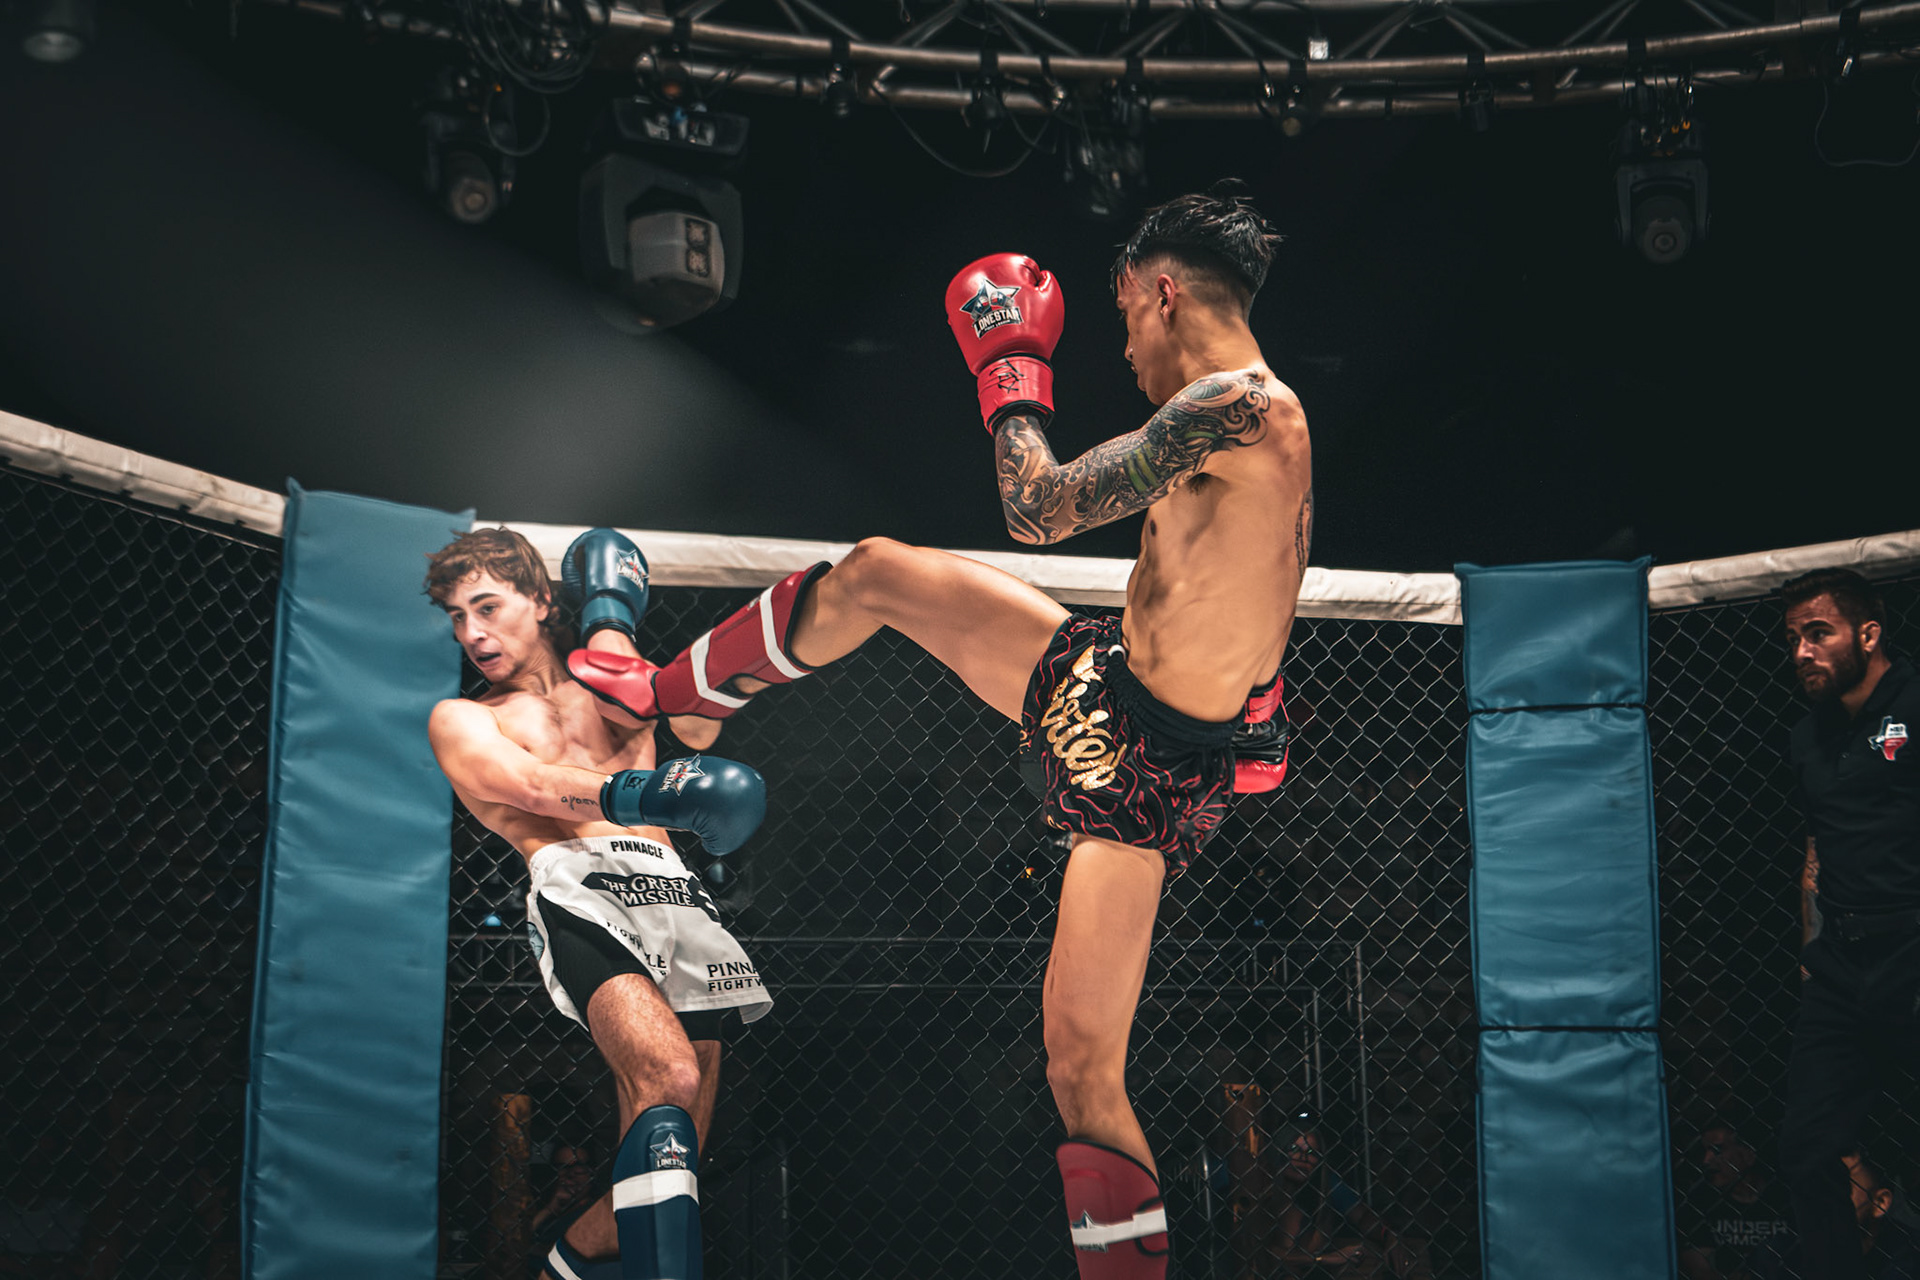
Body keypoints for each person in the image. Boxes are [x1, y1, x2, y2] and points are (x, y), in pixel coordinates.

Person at [571, 182, 1308, 1279]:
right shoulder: (1246, 416)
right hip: (1109, 678)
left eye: (1122, 321)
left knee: (1081, 1070)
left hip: (1146, 767)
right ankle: (677, 694)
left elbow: (1038, 508)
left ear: (1162, 294)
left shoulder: (1241, 407)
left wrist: (1011, 372)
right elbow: (1264, 567)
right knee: (878, 571)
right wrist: (1258, 704)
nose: (1125, 352)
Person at [425, 526, 773, 1280]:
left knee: (666, 1164)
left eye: (486, 607)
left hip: (677, 896)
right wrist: (650, 793)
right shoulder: (465, 718)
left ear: (541, 599)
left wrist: (618, 626)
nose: (471, 633)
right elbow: (529, 787)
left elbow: (695, 722)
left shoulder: (614, 682)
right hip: (581, 886)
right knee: (669, 1079)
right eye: (457, 617)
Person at [1777, 568, 1920, 1280]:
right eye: (1794, 638)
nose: (1802, 651)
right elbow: (1816, 852)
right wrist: (1814, 953)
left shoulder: (1914, 705)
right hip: (1841, 964)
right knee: (1806, 1149)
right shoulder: (1809, 736)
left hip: (1912, 946)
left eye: (1818, 633)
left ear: (1868, 634)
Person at [1269, 1123, 1430, 1279]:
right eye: (1294, 1148)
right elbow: (1266, 1253)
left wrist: (1388, 1235)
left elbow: (1361, 1215)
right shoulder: (1263, 1186)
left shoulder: (1326, 1184)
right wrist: (1325, 1259)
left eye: (1311, 1152)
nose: (1303, 1158)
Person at [1678, 1123, 1794, 1280]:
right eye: (1704, 1151)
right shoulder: (1700, 1202)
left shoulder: (1785, 1197)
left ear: (1748, 1154)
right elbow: (1700, 1270)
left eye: (1717, 1149)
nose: (1707, 1160)